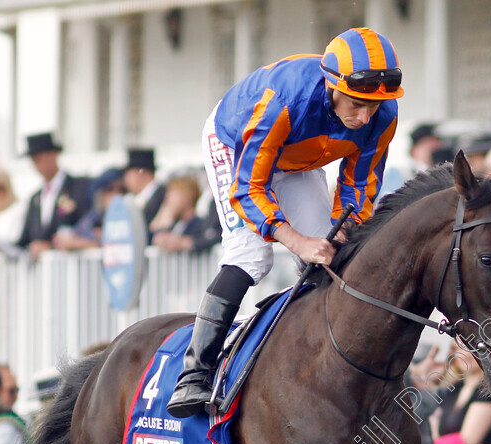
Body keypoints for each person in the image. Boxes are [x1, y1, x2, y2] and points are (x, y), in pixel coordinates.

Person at [166, 27, 404, 418]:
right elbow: (249, 189)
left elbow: (359, 185)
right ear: (332, 85)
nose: (363, 117)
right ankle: (194, 374)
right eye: (356, 103)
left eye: (373, 107)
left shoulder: (384, 115)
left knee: (332, 251)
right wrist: (293, 239)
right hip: (236, 144)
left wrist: (348, 224)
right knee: (251, 256)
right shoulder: (285, 100)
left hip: (297, 158)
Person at [16, 132, 91, 260]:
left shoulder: (78, 187)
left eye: (40, 158)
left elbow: (85, 228)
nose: (37, 165)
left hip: (71, 267)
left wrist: (50, 246)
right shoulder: (35, 199)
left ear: (54, 154)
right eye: (34, 160)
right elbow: (25, 240)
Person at [52, 167, 126, 251]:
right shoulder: (92, 219)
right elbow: (69, 239)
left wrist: (81, 243)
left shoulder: (130, 217)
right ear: (101, 193)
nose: (116, 194)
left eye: (122, 190)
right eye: (110, 189)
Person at [151, 174, 222, 253]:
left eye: (173, 192)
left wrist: (183, 243)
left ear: (186, 196)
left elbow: (210, 239)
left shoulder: (199, 224)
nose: (168, 197)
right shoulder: (176, 224)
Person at [123, 147, 166, 236]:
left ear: (140, 172)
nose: (126, 179)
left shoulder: (162, 195)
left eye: (128, 174)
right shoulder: (139, 198)